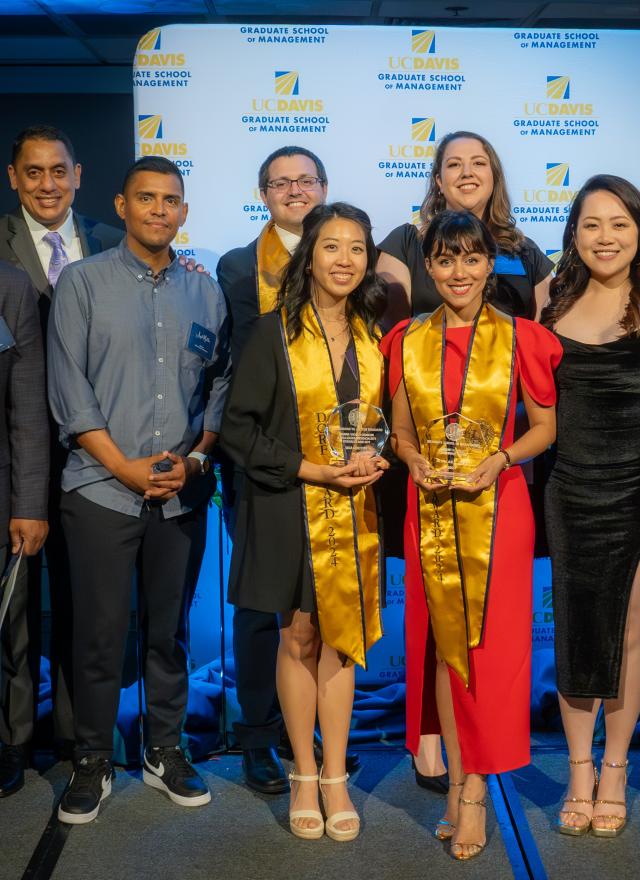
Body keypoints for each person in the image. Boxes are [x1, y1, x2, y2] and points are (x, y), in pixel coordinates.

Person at [48, 156, 230, 824]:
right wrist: (122, 466)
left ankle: (163, 750)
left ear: (184, 210)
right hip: (99, 489)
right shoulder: (83, 283)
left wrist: (200, 455)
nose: (160, 210)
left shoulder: (204, 291)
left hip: (179, 494)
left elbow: (218, 387)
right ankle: (92, 762)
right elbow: (69, 388)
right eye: (146, 198)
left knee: (169, 634)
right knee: (98, 638)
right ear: (121, 205)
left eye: (172, 200)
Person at [377, 131, 555, 789]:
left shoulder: (522, 256)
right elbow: (394, 411)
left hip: (500, 474)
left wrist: (505, 456)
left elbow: (545, 393)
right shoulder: (403, 254)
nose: (459, 269)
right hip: (428, 470)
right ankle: (439, 746)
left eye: (479, 162)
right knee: (434, 622)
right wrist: (411, 455)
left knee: (494, 629)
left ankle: (482, 762)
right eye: (454, 162)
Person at [220, 202, 388, 841]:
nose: (344, 259)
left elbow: (389, 425)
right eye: (331, 247)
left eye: (356, 248)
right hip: (287, 503)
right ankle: (302, 773)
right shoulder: (273, 332)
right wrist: (314, 471)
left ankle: (337, 774)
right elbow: (238, 430)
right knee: (298, 635)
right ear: (308, 257)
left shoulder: (377, 335)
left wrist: (377, 461)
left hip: (353, 509)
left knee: (341, 637)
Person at [217, 146, 357, 793]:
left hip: (341, 474)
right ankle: (259, 740)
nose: (294, 190)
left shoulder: (362, 278)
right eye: (281, 182)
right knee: (263, 612)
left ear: (323, 189)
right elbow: (237, 369)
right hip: (269, 470)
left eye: (306, 181)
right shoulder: (237, 267)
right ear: (263, 193)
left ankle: (322, 737)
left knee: (327, 614)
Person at [0, 125, 122, 795]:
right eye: (33, 172)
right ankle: (16, 739)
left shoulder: (110, 242)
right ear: (14, 178)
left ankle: (83, 737)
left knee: (86, 605)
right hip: (15, 459)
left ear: (77, 175)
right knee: (15, 612)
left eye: (58, 171)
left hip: (91, 457)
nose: (47, 183)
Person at [542, 174, 640, 838]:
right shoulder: (547, 296)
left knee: (629, 634)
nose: (606, 237)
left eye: (620, 224)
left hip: (637, 488)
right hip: (570, 486)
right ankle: (577, 770)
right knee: (578, 633)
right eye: (592, 224)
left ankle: (613, 770)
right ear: (574, 233)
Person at [0, 260, 49, 798]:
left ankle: (13, 742)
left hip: (4, 492)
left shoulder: (9, 285)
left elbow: (27, 407)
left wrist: (30, 502)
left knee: (12, 631)